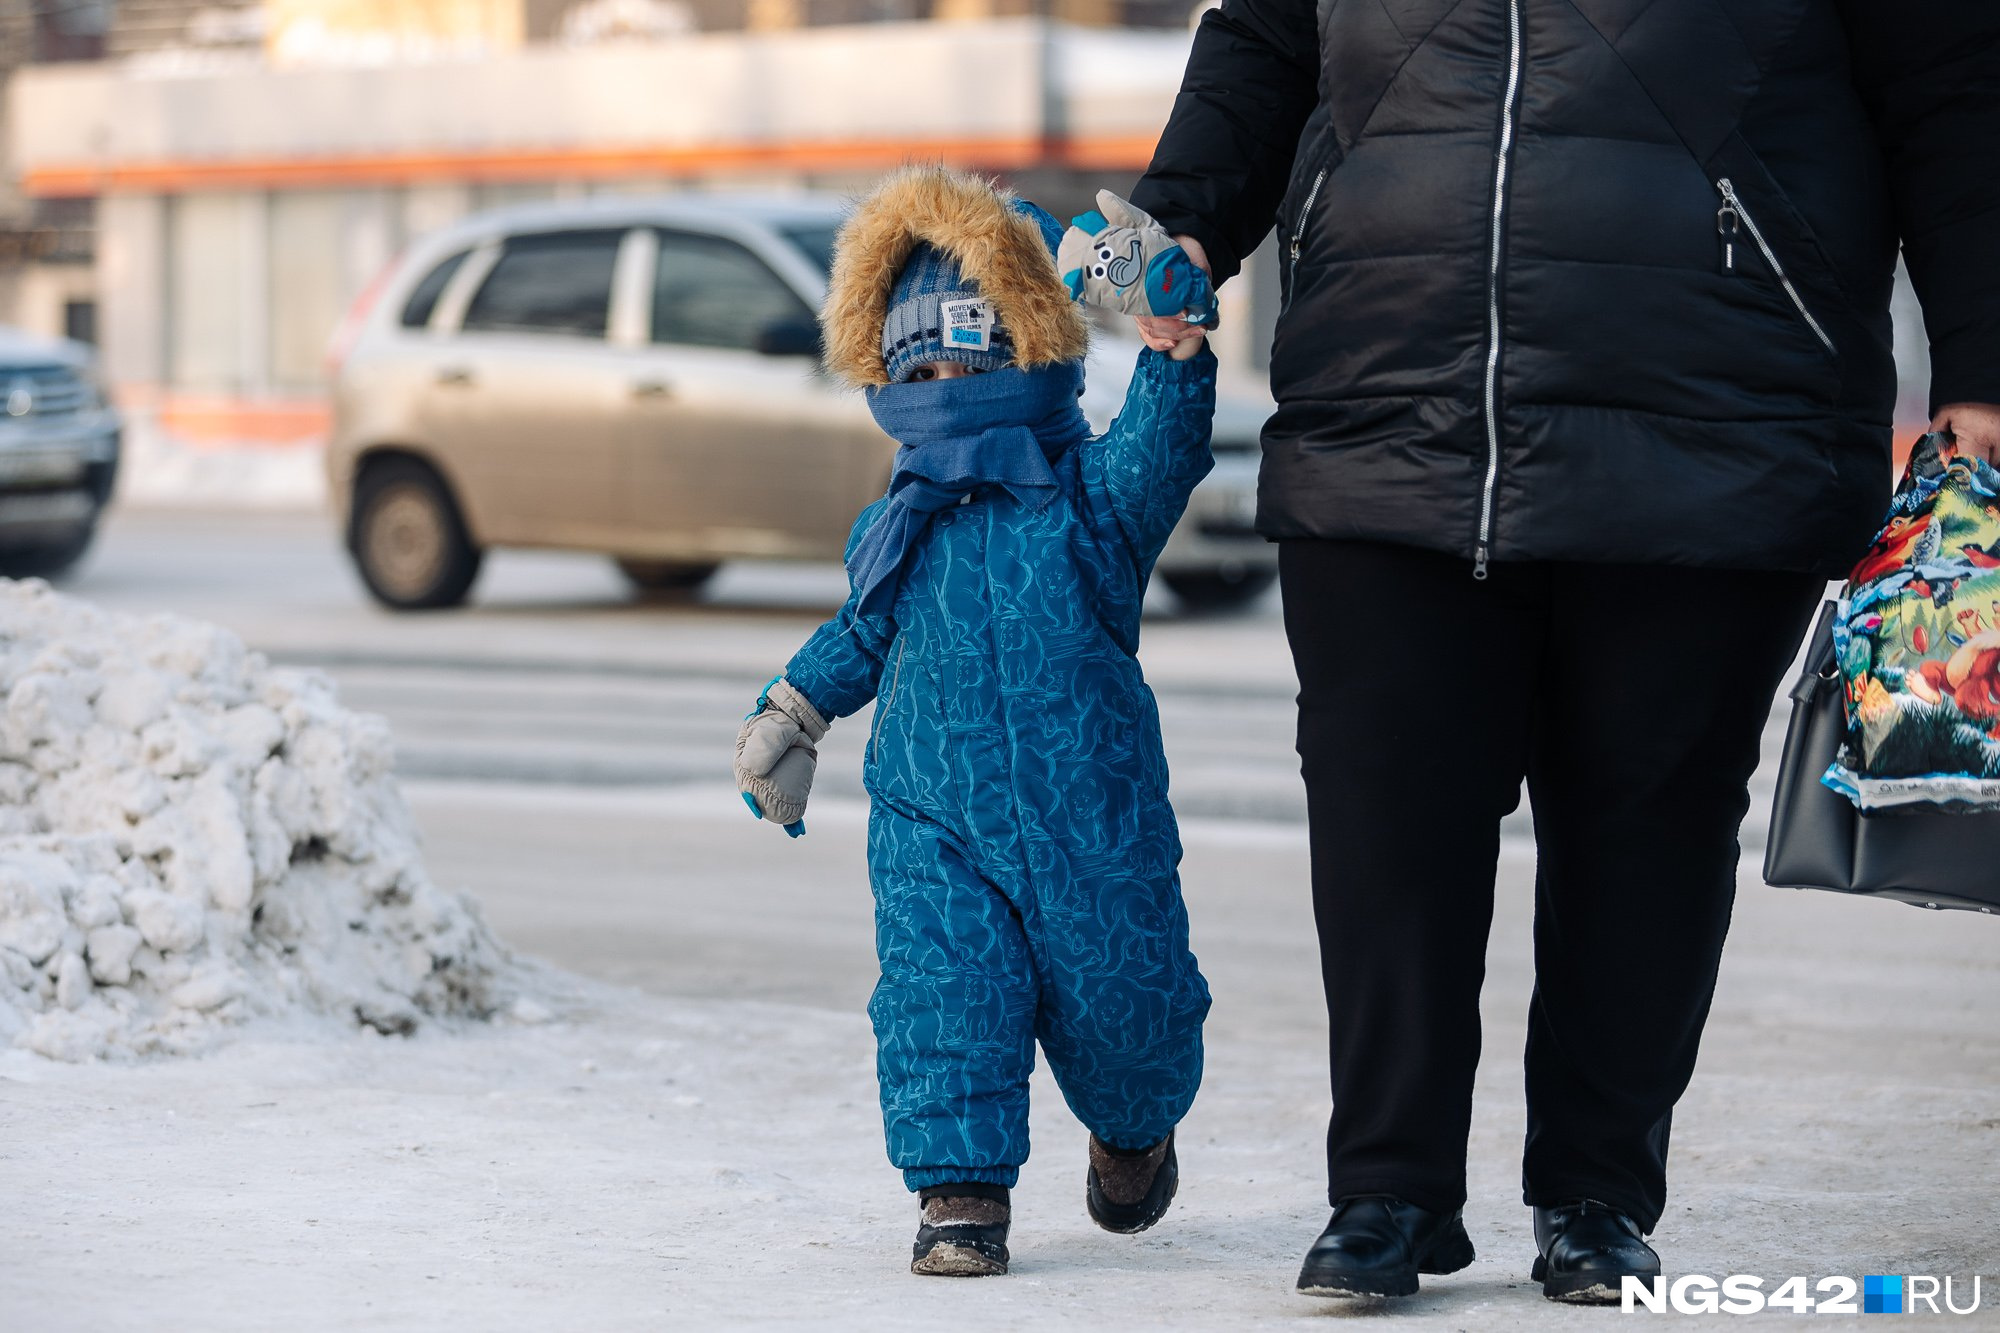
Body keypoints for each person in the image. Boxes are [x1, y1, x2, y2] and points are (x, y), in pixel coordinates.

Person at [1123, 0, 2000, 1305]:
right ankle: (1386, 1188)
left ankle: (1597, 1192)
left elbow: (1957, 104)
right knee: (1385, 822)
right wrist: (1162, 230)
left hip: (1720, 425)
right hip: (1387, 412)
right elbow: (1260, 42)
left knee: (1646, 827)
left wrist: (1983, 367)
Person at [732, 166, 1218, 1277]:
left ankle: (1133, 1132)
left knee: (1128, 1004)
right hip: (932, 817)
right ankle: (960, 1195)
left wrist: (1175, 352)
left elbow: (1160, 452)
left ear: (1022, 350)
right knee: (943, 996)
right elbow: (859, 631)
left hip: (1090, 817)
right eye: (923, 360)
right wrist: (792, 711)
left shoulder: (1090, 502)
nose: (947, 378)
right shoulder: (898, 521)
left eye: (969, 352)